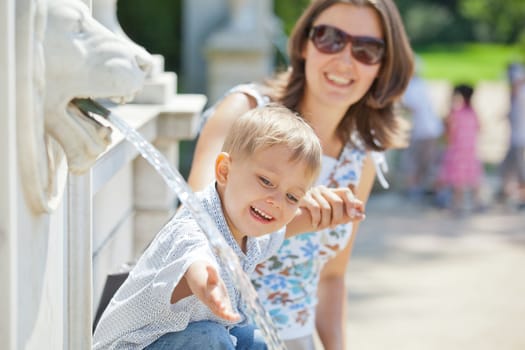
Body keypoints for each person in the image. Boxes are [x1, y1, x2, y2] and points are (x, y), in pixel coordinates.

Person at [187, 1, 414, 348]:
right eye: (330, 38)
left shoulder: (359, 159)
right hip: (221, 337)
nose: (344, 59)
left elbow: (331, 278)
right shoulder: (245, 112)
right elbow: (195, 227)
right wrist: (293, 214)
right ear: (305, 43)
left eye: (367, 49)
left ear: (382, 67)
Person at [92, 104, 341, 349]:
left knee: (255, 341)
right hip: (132, 346)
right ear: (224, 171)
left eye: (292, 197)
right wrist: (206, 282)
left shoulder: (248, 230)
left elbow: (286, 227)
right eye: (266, 181)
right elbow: (194, 256)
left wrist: (334, 212)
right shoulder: (195, 223)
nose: (276, 202)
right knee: (210, 339)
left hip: (180, 340)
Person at [399, 57, 444, 201]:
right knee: (428, 161)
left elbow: (412, 107)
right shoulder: (421, 84)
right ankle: (429, 189)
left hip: (421, 130)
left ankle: (418, 189)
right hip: (431, 129)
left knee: (414, 161)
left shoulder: (410, 86)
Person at [435, 84, 484, 214]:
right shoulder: (472, 112)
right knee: (472, 178)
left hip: (457, 151)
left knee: (458, 180)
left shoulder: (454, 114)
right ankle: (476, 202)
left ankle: (458, 204)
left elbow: (447, 133)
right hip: (470, 151)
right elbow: (480, 128)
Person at [499, 62, 525, 209]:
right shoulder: (517, 95)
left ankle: (522, 197)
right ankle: (506, 192)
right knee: (506, 168)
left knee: (520, 169)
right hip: (515, 138)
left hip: (520, 138)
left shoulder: (521, 95)